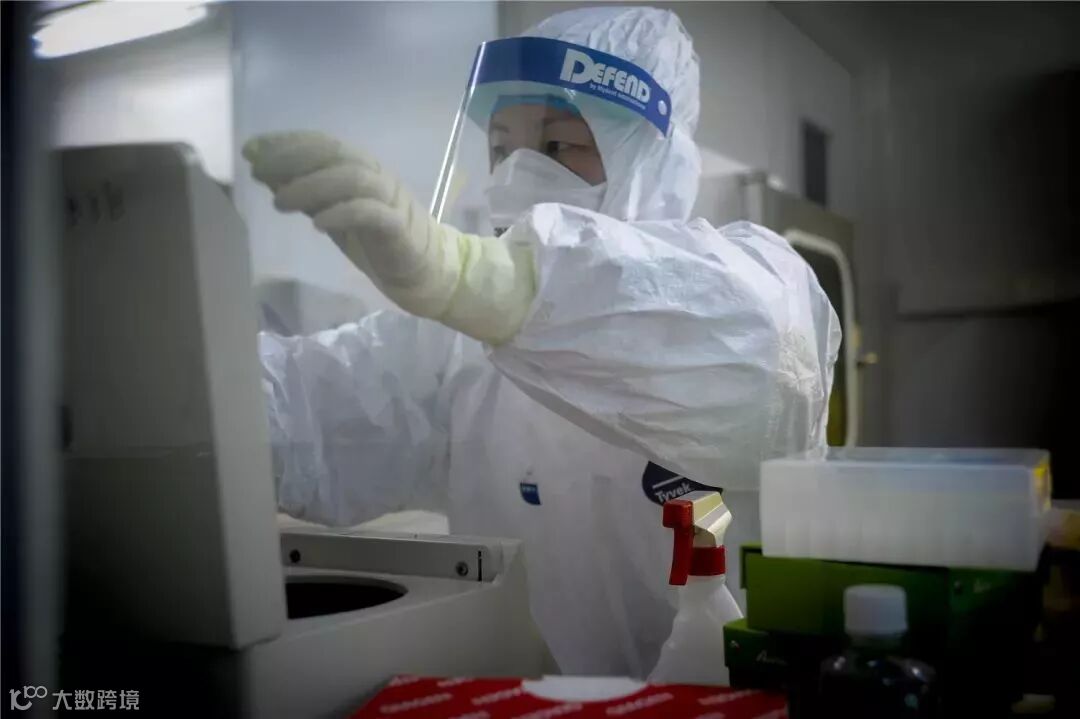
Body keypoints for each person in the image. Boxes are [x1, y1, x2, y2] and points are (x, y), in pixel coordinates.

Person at [246, 6, 840, 677]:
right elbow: (303, 411)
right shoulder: (459, 345)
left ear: (649, 159)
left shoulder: (749, 289)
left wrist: (483, 279)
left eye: (559, 147)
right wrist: (181, 384)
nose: (517, 175)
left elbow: (754, 354)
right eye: (502, 148)